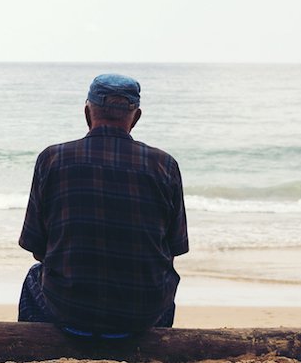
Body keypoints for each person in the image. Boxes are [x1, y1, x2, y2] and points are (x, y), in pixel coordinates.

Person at [18, 74, 189, 336]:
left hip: (70, 310)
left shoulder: (52, 159)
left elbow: (38, 249)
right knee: (162, 282)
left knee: (34, 277)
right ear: (136, 117)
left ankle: (35, 347)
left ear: (88, 112)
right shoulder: (164, 165)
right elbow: (173, 249)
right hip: (142, 313)